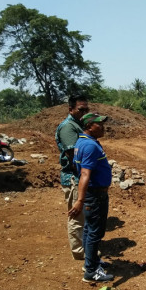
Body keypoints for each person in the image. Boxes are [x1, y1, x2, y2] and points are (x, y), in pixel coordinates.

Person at [69, 113, 114, 282]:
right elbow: (85, 174)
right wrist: (80, 200)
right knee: (95, 232)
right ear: (89, 126)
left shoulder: (83, 142)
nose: (103, 127)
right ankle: (90, 271)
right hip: (95, 195)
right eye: (99, 124)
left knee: (89, 229)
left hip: (93, 194)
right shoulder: (89, 146)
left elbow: (77, 167)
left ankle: (92, 261)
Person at [55, 95, 90, 260]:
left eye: (86, 109)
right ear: (71, 110)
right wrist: (86, 173)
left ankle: (83, 245)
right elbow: (73, 156)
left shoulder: (77, 124)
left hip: (80, 176)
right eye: (80, 109)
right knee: (76, 215)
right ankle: (79, 251)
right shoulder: (68, 127)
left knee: (82, 214)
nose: (84, 113)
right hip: (73, 177)